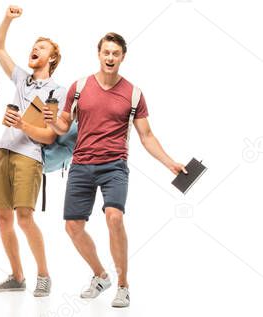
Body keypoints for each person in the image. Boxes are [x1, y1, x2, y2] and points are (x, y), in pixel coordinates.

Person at [45, 32, 187, 308]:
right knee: (73, 227)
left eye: (115, 53)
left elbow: (146, 136)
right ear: (98, 54)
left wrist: (170, 162)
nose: (110, 58)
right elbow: (63, 125)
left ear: (122, 57)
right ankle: (100, 276)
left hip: (114, 164)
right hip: (81, 164)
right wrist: (51, 122)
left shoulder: (134, 94)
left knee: (114, 217)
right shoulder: (79, 86)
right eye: (106, 52)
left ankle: (123, 285)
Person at [0, 5, 60, 297]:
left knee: (24, 218)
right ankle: (17, 277)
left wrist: (23, 125)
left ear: (52, 58)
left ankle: (43, 275)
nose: (35, 49)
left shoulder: (57, 92)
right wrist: (7, 18)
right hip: (3, 151)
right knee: (2, 218)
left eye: (41, 48)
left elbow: (50, 136)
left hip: (29, 157)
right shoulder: (21, 79)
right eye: (34, 46)